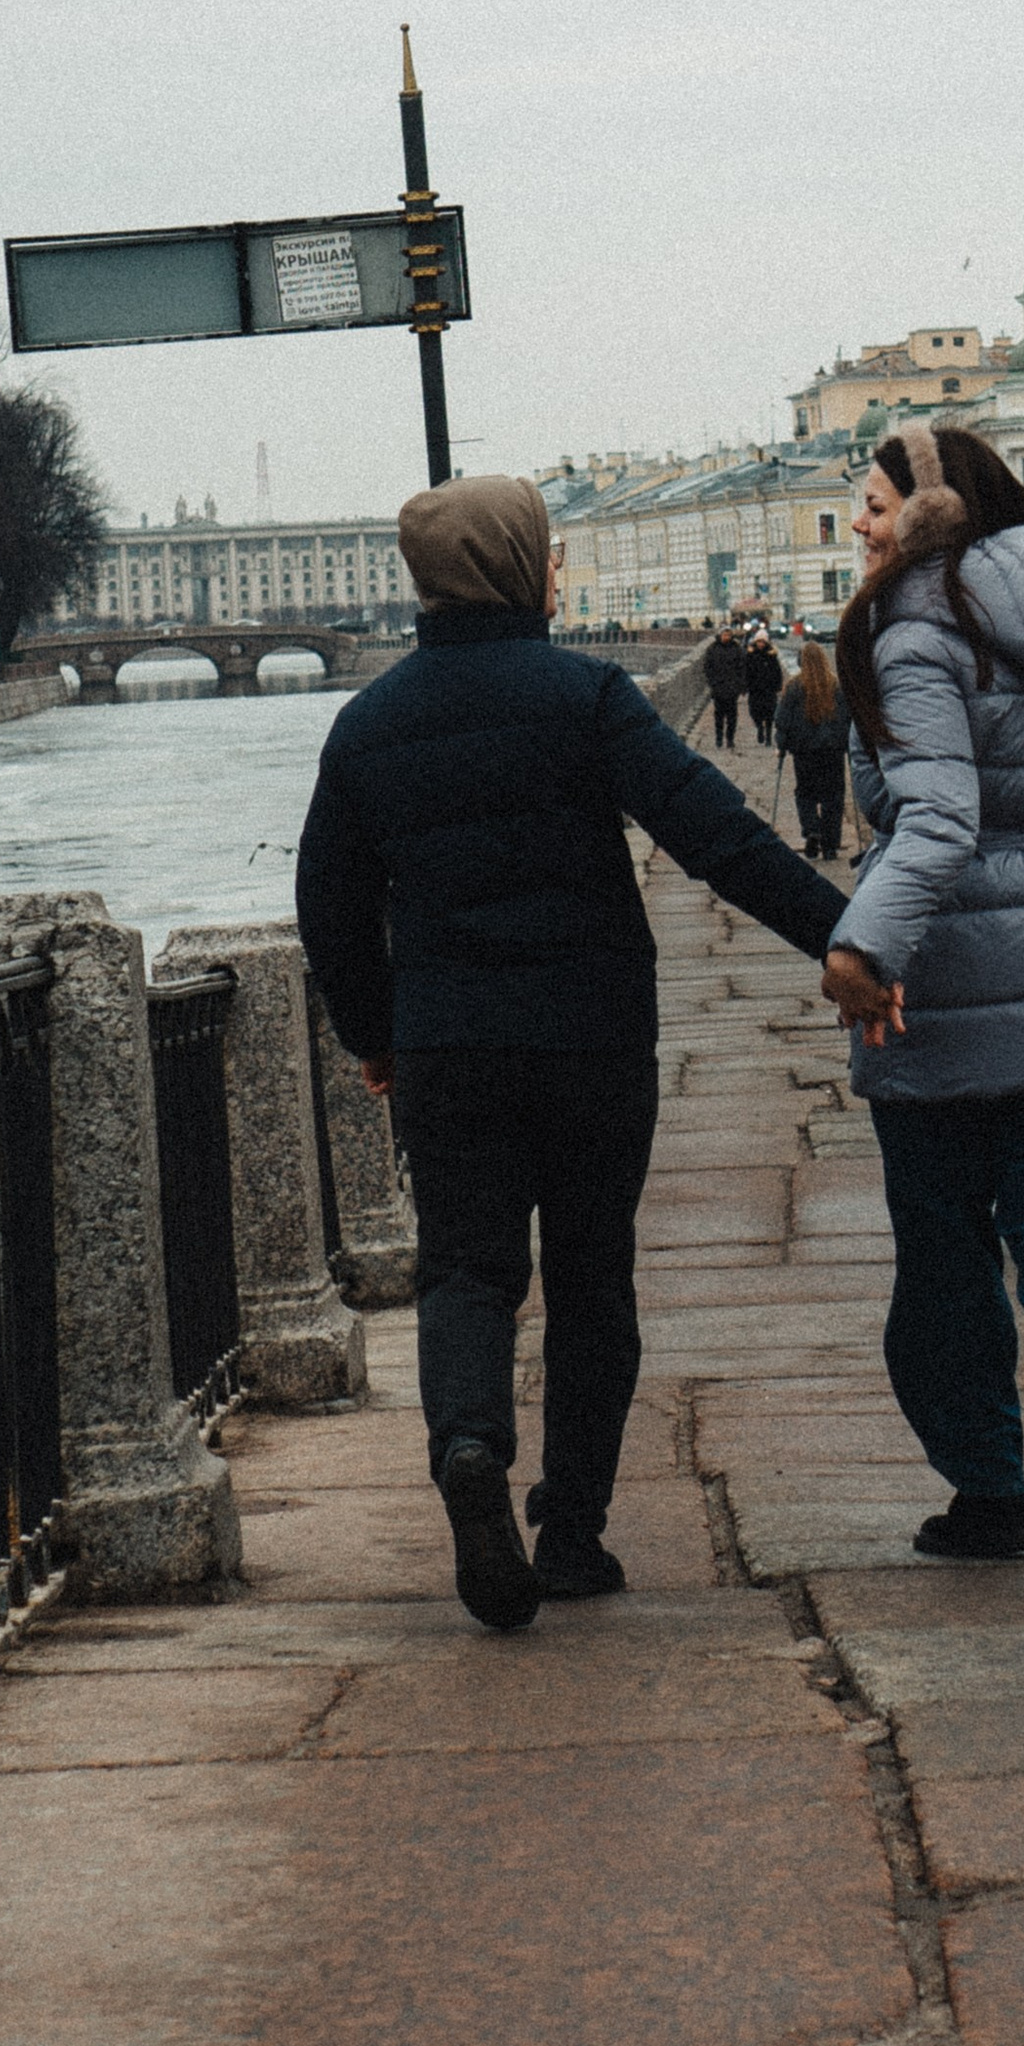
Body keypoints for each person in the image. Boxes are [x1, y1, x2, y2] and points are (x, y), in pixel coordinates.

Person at [295, 476, 843, 1631]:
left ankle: (469, 1446)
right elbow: (714, 834)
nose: (554, 573)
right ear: (513, 565)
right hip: (593, 1037)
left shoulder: (368, 724)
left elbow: (329, 907)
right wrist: (841, 941)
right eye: (545, 554)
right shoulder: (586, 696)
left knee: (465, 1271)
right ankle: (573, 1535)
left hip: (450, 1046)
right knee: (592, 1277)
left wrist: (374, 1035)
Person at [817, 422, 1024, 1570]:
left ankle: (988, 1493)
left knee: (945, 1251)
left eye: (873, 504)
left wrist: (862, 950)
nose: (857, 523)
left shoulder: (917, 629)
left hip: (946, 981)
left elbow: (938, 820)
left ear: (928, 511)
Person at [773, 636, 850, 859]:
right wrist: (848, 743)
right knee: (833, 796)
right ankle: (830, 845)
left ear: (801, 661)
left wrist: (781, 745)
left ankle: (812, 829)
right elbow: (847, 718)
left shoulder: (793, 687)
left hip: (804, 751)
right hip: (832, 750)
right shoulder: (836, 686)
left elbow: (783, 720)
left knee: (805, 793)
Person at [703, 621, 748, 749]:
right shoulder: (713, 649)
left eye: (729, 635)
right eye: (724, 635)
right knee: (719, 715)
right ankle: (719, 738)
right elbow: (707, 667)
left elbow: (742, 668)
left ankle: (730, 738)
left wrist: (741, 685)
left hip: (732, 688)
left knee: (732, 716)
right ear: (720, 635)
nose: (727, 637)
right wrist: (712, 682)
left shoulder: (737, 649)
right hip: (718, 688)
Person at [744, 627, 784, 746]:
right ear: (755, 642)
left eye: (763, 642)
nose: (761, 644)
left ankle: (768, 737)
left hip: (769, 689)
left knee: (770, 714)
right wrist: (745, 685)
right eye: (759, 641)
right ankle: (760, 728)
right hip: (755, 689)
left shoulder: (771, 655)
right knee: (754, 712)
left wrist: (778, 685)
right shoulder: (750, 655)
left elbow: (777, 672)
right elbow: (746, 671)